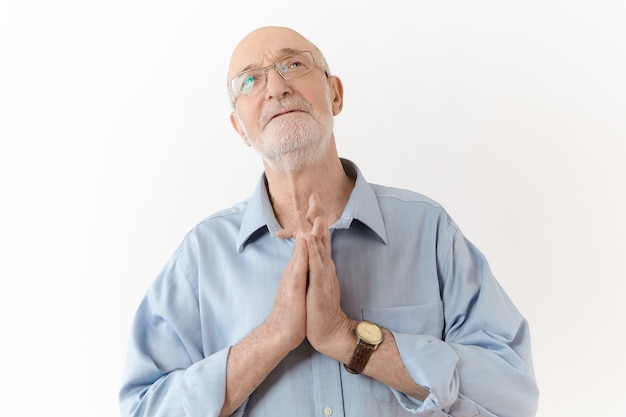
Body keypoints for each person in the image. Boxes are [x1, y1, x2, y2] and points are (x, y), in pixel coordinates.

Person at [119, 26, 539, 417]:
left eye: (294, 65)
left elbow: (512, 392)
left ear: (334, 94)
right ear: (240, 128)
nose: (276, 87)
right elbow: (143, 408)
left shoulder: (427, 231)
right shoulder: (201, 257)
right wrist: (275, 336)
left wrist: (348, 338)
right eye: (250, 80)